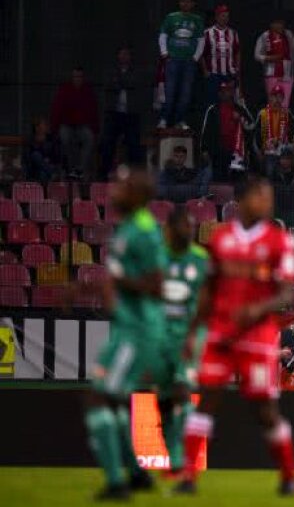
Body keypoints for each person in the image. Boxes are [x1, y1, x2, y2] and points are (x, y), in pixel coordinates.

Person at [175, 176, 294, 495]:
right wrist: (192, 333)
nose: (267, 203)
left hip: (257, 335)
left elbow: (287, 293)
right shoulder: (221, 239)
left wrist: (258, 310)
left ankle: (288, 476)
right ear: (243, 199)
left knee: (265, 410)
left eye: (269, 197)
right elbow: (208, 289)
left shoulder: (280, 241)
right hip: (219, 334)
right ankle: (188, 476)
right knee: (206, 400)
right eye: (262, 196)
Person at [82, 170, 165, 499]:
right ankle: (137, 475)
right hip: (125, 326)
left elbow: (156, 284)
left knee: (100, 397)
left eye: (123, 185)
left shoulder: (144, 230)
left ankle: (117, 483)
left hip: (137, 329)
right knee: (111, 400)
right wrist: (90, 286)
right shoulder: (130, 227)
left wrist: (115, 284)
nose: (114, 189)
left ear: (138, 193)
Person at [157, 207, 210, 477]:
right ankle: (175, 461)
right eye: (184, 227)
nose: (190, 232)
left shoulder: (200, 259)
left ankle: (188, 460)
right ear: (171, 228)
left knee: (182, 390)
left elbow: (207, 302)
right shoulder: (157, 257)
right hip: (161, 337)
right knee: (165, 400)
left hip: (190, 333)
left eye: (192, 227)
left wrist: (193, 335)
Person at [158, 0, 205, 130]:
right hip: (173, 60)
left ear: (192, 4)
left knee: (185, 93)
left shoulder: (197, 19)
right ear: (180, 3)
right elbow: (163, 35)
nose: (185, 4)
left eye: (188, 1)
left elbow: (201, 41)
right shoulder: (171, 18)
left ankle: (180, 120)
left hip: (188, 62)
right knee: (169, 91)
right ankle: (164, 119)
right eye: (183, 1)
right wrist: (165, 53)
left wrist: (195, 57)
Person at [99, 46, 146, 176]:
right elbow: (109, 84)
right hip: (114, 114)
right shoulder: (111, 71)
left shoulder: (136, 71)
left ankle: (135, 176)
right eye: (122, 54)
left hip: (131, 114)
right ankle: (103, 176)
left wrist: (120, 82)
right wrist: (122, 83)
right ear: (118, 56)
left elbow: (133, 83)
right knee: (108, 145)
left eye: (127, 54)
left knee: (134, 147)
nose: (124, 57)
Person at [50, 66, 100, 178]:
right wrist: (54, 128)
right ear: (72, 77)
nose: (78, 79)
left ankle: (80, 169)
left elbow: (93, 110)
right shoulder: (64, 89)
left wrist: (95, 128)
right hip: (66, 124)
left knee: (89, 138)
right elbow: (56, 109)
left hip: (82, 125)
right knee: (65, 139)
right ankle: (70, 169)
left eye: (80, 76)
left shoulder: (87, 91)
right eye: (75, 76)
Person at [198, 82, 254, 182]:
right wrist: (204, 150)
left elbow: (251, 126)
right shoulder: (213, 109)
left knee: (237, 181)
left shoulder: (239, 109)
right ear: (219, 93)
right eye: (223, 91)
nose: (226, 93)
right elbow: (205, 130)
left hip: (236, 152)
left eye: (228, 90)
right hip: (218, 151)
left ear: (233, 92)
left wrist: (241, 117)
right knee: (219, 180)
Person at [198, 5, 241, 107]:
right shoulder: (207, 33)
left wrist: (237, 68)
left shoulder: (233, 33)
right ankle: (212, 122)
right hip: (213, 74)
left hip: (229, 73)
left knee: (229, 102)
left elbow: (237, 52)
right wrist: (205, 71)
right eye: (222, 16)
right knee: (212, 103)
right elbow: (201, 53)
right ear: (216, 17)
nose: (224, 18)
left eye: (226, 16)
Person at [254, 85, 294, 180]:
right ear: (270, 98)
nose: (277, 100)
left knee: (282, 179)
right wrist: (259, 151)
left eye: (279, 97)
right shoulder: (262, 114)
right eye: (274, 96)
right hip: (267, 154)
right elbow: (255, 135)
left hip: (283, 154)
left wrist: (288, 148)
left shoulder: (288, 114)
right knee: (269, 177)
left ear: (283, 99)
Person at [254, 18, 294, 108]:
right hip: (271, 75)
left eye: (281, 23)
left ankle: (283, 122)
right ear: (271, 24)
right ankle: (272, 122)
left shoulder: (289, 35)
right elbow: (257, 55)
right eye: (276, 23)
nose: (279, 26)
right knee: (273, 103)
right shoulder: (264, 36)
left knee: (285, 104)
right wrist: (269, 58)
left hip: (287, 75)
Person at [23, 117, 64, 183]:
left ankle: (45, 191)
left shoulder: (52, 139)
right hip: (35, 168)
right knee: (36, 155)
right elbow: (27, 157)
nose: (39, 128)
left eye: (41, 125)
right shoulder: (30, 140)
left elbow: (56, 155)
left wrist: (47, 160)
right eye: (37, 126)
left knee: (43, 174)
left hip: (49, 165)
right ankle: (52, 173)